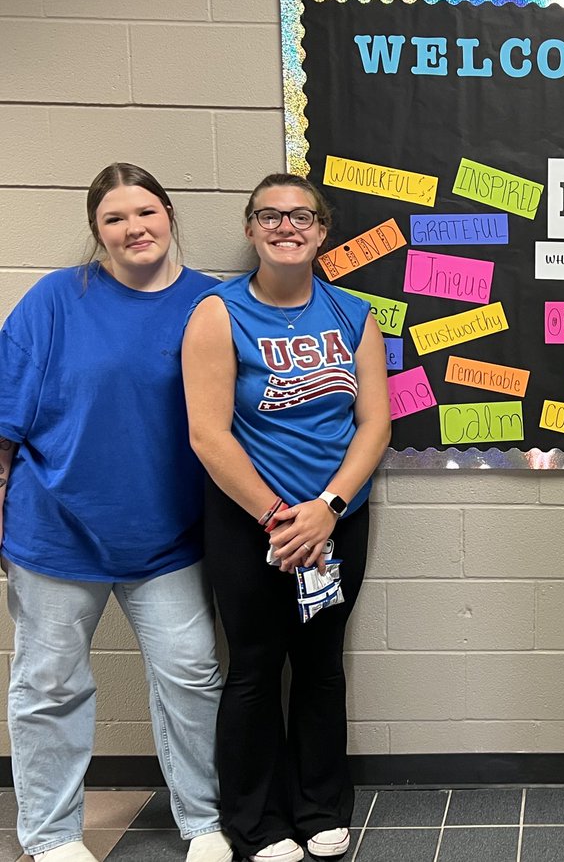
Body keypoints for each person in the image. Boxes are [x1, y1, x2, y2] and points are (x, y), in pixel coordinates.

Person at [0, 163, 231, 862]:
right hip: (56, 531)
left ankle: (204, 821)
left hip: (167, 538)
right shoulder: (53, 301)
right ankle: (51, 835)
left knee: (192, 674)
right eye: (115, 219)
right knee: (47, 684)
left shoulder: (213, 304)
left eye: (146, 212)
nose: (134, 228)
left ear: (169, 216)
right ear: (97, 231)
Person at [181, 174, 390, 862]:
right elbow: (209, 435)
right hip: (251, 526)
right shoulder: (219, 311)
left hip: (336, 523)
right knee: (254, 667)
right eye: (268, 216)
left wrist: (327, 510)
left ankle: (321, 805)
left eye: (301, 216)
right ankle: (257, 821)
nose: (285, 226)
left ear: (322, 231)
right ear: (250, 230)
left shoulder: (354, 313)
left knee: (322, 665)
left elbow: (375, 426)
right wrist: (279, 518)